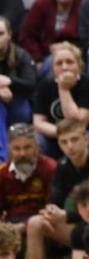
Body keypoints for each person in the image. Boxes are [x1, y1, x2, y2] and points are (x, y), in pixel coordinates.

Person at [24, 118, 89, 259]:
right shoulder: (62, 166)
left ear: (86, 139)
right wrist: (51, 211)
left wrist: (66, 215)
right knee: (35, 222)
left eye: (74, 140)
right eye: (64, 142)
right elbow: (56, 199)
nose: (70, 146)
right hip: (77, 226)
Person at [31, 42, 89, 162]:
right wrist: (61, 135)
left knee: (80, 138)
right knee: (36, 140)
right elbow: (38, 123)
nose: (64, 67)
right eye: (59, 63)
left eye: (69, 62)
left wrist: (63, 89)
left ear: (79, 65)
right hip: (62, 139)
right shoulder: (45, 86)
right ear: (53, 68)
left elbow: (76, 124)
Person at [0, 123, 55, 236]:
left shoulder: (50, 168)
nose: (22, 154)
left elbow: (54, 208)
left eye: (27, 147)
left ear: (36, 147)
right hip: (10, 226)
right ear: (9, 149)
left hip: (42, 223)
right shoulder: (2, 173)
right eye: (17, 148)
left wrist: (25, 225)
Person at [0, 16, 37, 164]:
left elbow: (30, 84)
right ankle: (2, 160)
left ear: (9, 35)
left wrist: (8, 82)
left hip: (19, 106)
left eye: (1, 33)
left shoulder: (21, 55)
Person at [17, 0, 81, 74]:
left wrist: (67, 47)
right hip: (44, 54)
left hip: (76, 52)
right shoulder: (41, 5)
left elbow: (85, 35)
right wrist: (38, 58)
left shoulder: (82, 5)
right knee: (52, 62)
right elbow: (27, 36)